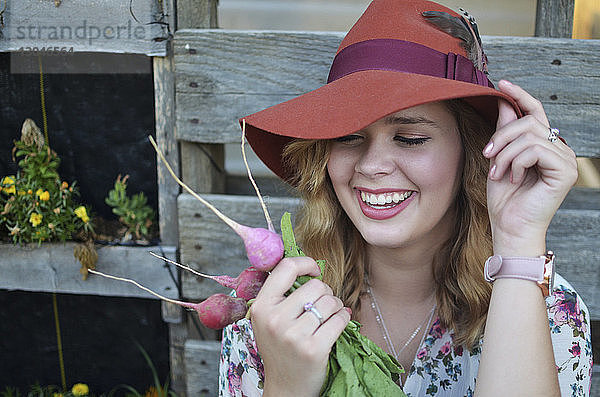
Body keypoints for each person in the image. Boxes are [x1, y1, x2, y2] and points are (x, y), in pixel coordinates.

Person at [218, 0, 593, 395]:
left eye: (410, 138)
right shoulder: (270, 310)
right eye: (348, 137)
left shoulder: (549, 311)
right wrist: (287, 386)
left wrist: (518, 238)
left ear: (473, 151)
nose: (372, 165)